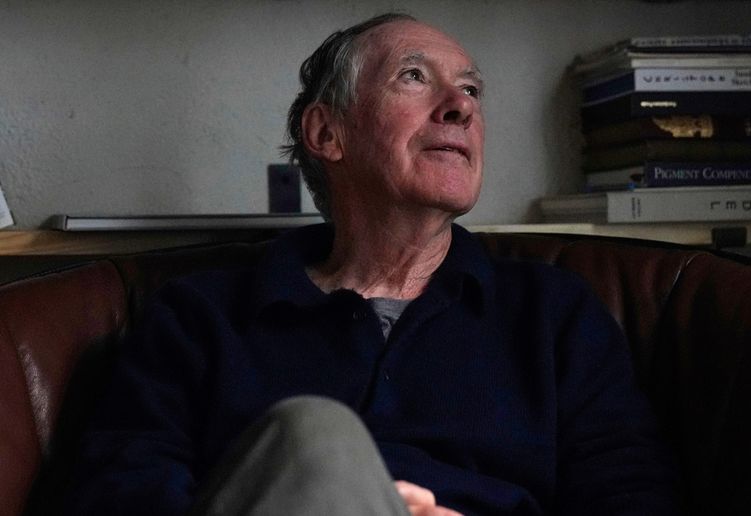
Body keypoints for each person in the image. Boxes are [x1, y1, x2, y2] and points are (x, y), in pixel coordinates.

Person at [65, 13, 679, 516]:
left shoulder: (554, 315)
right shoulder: (201, 316)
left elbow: (631, 501)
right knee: (313, 437)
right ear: (328, 133)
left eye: (470, 89)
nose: (460, 107)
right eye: (415, 77)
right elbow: (118, 492)